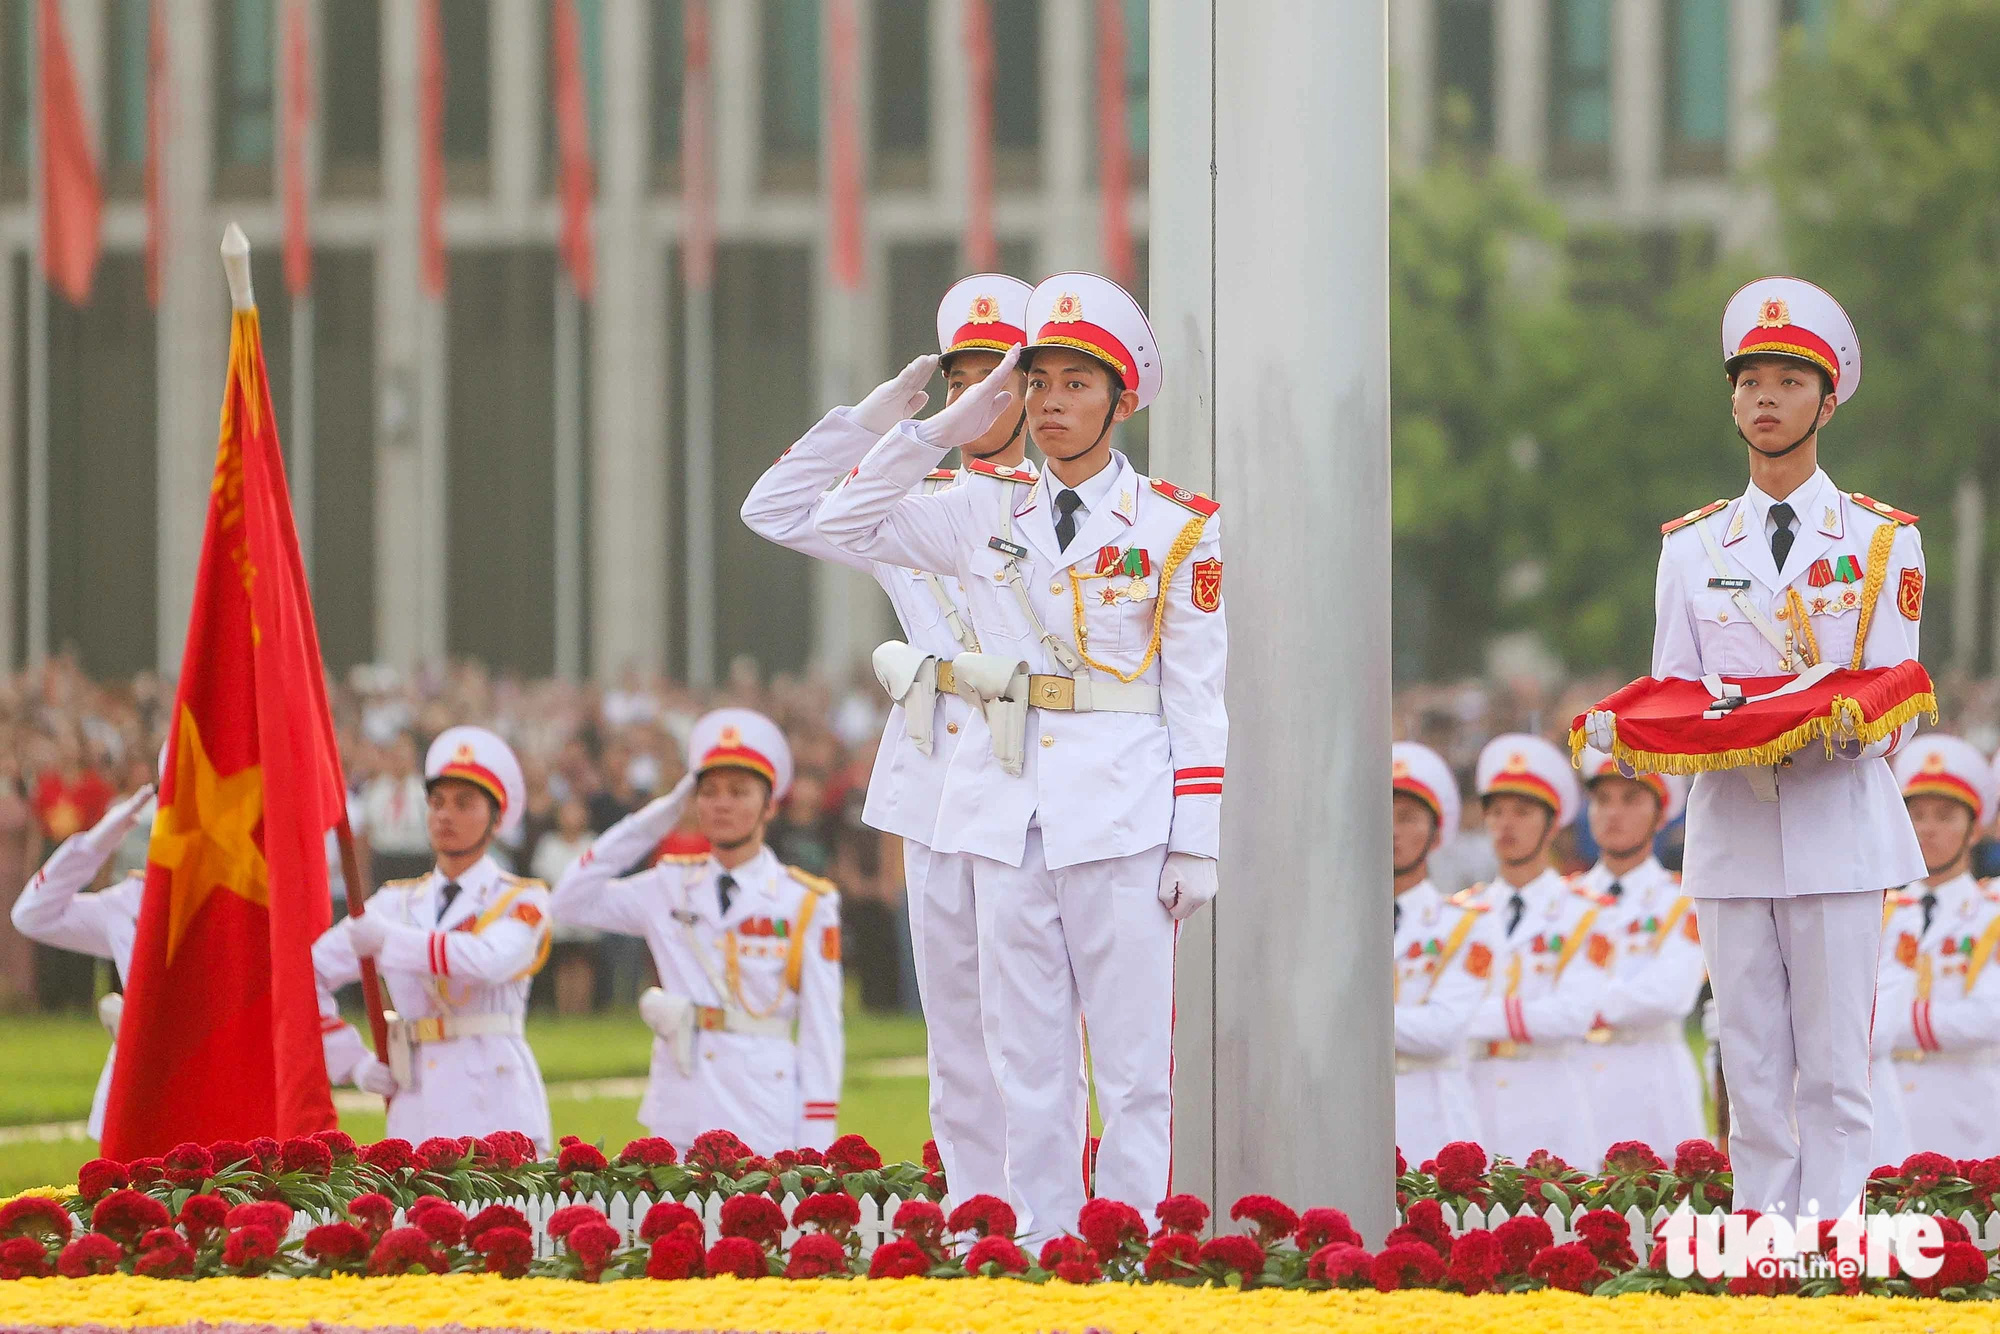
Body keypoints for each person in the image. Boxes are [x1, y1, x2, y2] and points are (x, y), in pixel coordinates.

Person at [814, 272, 1226, 1238]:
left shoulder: (1177, 527)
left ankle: (1128, 1247)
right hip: (1006, 808)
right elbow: (840, 520)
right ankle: (1038, 1249)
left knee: (1131, 1068)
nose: (1049, 404)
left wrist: (1194, 837)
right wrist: (937, 431)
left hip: (1124, 813)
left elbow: (1198, 697)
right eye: (1035, 384)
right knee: (1025, 1058)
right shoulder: (979, 504)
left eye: (1075, 385)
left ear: (1121, 400)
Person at [1586, 276, 1926, 1218]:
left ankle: (1836, 1253)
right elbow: (1677, 689)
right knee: (1750, 1069)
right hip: (1732, 833)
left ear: (1827, 399)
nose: (1764, 399)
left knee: (1835, 1072)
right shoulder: (1692, 546)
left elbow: (1895, 697)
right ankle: (1765, 1256)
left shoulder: (1881, 540)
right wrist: (1636, 736)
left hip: (1836, 823)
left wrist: (1836, 727)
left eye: (1787, 379)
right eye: (1749, 381)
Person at [739, 273, 1039, 1203]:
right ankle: (974, 1209)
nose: (971, 398)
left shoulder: (1057, 501)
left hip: (1033, 764)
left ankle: (1047, 1214)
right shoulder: (910, 493)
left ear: (1033, 392)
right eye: (959, 383)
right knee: (952, 1018)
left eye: (993, 380)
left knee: (1029, 1017)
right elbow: (777, 511)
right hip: (936, 767)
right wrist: (869, 427)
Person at [549, 709, 844, 1156]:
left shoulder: (804, 901)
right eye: (708, 792)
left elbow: (823, 1031)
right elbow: (568, 899)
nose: (721, 804)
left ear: (769, 805)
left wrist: (816, 1144)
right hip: (682, 1104)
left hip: (763, 1107)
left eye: (739, 792)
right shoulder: (668, 886)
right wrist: (656, 818)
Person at [315, 726, 554, 1150]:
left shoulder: (521, 898)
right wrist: (349, 1061)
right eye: (437, 803)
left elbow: (488, 961)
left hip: (496, 1102)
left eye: (464, 804)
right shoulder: (395, 902)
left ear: (495, 819)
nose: (446, 815)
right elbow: (308, 974)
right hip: (416, 1098)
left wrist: (390, 941)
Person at [1461, 734, 1609, 1169]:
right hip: (1477, 1097)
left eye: (1522, 813)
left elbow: (1573, 1016)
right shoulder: (1463, 914)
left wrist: (1474, 1017)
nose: (1506, 825)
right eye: (1496, 812)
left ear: (1551, 824)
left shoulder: (1584, 913)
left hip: (1550, 1099)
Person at [1571, 748, 1706, 1156]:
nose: (1613, 813)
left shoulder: (1683, 899)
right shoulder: (1564, 900)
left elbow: (1670, 994)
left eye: (1630, 800)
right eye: (1602, 800)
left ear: (1659, 814)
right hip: (1576, 1086)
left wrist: (1567, 1008)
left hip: (1651, 1085)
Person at [1876, 735, 2000, 1160]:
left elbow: (1989, 1017)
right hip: (1884, 1117)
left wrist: (1881, 1022)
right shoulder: (1877, 911)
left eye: (1946, 817)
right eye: (1917, 815)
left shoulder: (1992, 914)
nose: (1927, 829)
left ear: (1974, 829)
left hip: (1966, 1122)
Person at [1391, 741, 1494, 1163]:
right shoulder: (1339, 924)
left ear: (1436, 832)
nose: (1392, 831)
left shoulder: (1466, 924)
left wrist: (1349, 1022)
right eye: (1383, 817)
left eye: (1407, 818)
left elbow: (1441, 1030)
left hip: (1432, 1126)